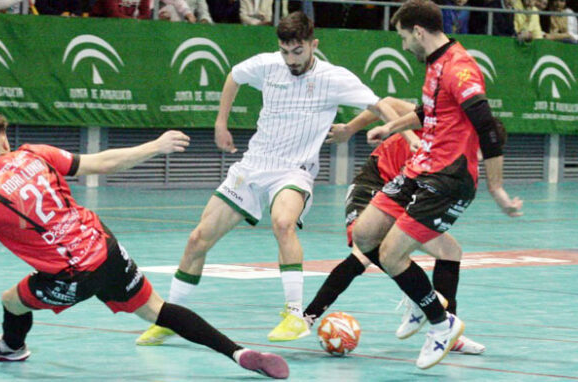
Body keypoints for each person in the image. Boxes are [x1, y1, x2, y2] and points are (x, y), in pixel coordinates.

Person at [0, 112, 289, 380]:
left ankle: (12, 348)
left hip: (73, 272)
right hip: (104, 246)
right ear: (4, 142)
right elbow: (103, 163)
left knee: (12, 300)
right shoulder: (36, 153)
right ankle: (239, 352)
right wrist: (156, 146)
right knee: (158, 310)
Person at [136, 11, 400, 346]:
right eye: (285, 51)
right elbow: (234, 75)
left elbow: (380, 104)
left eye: (298, 52)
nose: (291, 59)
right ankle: (171, 318)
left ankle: (294, 315)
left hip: (295, 169)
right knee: (197, 239)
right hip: (253, 165)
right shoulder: (268, 64)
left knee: (282, 222)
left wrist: (394, 128)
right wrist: (221, 122)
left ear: (312, 44)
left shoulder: (334, 78)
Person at [348, 0, 522, 369]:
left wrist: (497, 189)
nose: (402, 45)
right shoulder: (434, 63)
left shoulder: (459, 68)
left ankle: (442, 324)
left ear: (418, 32)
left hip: (448, 178)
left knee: (394, 254)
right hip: (419, 169)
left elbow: (487, 127)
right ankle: (422, 296)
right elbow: (427, 112)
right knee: (364, 235)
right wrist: (388, 128)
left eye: (402, 37)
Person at [296, 100, 511, 356]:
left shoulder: (459, 160)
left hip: (405, 191)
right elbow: (382, 105)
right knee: (363, 250)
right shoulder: (437, 119)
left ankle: (445, 327)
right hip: (375, 180)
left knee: (450, 251)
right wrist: (352, 129)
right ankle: (308, 316)